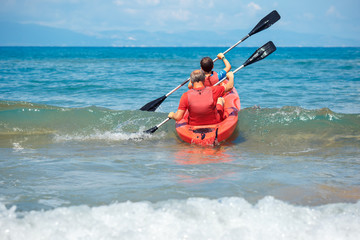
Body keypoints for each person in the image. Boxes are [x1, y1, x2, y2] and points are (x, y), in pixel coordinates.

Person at [168, 69, 234, 125]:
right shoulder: (213, 90)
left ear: (191, 81)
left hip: (194, 125)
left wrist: (172, 115)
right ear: (204, 80)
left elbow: (178, 117)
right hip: (214, 123)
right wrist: (231, 77)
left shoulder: (185, 95)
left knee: (188, 110)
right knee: (220, 100)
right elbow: (229, 87)